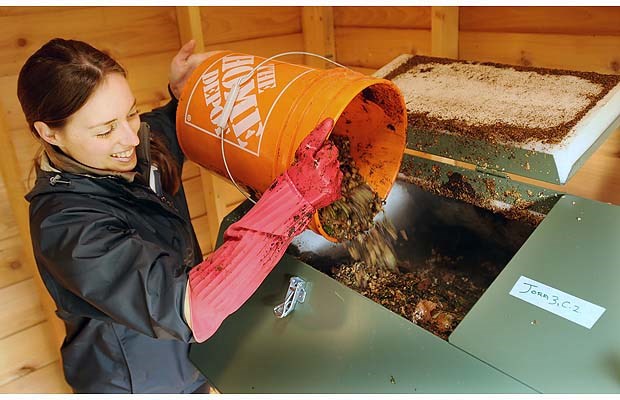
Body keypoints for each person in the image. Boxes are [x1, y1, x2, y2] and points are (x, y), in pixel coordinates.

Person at [17, 38, 343, 394]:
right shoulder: (66, 227)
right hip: (139, 383)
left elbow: (172, 122)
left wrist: (181, 94)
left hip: (194, 360)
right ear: (49, 133)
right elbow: (192, 305)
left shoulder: (135, 147)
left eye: (130, 112)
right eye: (105, 130)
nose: (130, 138)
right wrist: (291, 200)